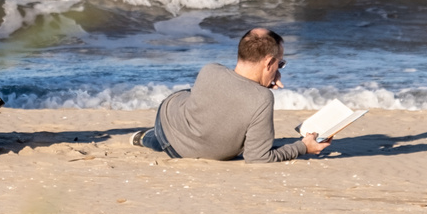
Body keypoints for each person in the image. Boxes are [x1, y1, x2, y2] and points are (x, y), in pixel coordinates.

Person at [137, 28, 330, 162]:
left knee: (193, 94)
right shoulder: (262, 99)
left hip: (167, 125)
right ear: (269, 62)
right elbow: (259, 157)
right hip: (185, 149)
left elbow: (234, 88)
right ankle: (147, 139)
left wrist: (264, 80)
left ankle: (147, 138)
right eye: (280, 63)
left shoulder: (210, 70)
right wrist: (303, 147)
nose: (279, 68)